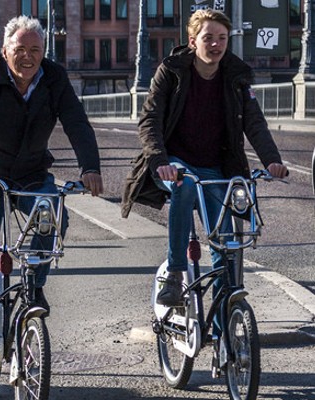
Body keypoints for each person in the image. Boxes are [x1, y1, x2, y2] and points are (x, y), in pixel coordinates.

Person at [0, 16, 104, 386]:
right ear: (5, 51)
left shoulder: (54, 78)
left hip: (32, 173)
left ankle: (34, 284)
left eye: (36, 50)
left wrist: (90, 167)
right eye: (21, 50)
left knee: (53, 216)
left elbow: (77, 123)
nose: (29, 57)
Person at [120, 9, 288, 309]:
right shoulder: (171, 71)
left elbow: (255, 122)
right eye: (208, 38)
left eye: (222, 38)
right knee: (184, 186)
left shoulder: (236, 76)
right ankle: (174, 273)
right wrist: (160, 161)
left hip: (217, 168)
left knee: (224, 239)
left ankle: (226, 318)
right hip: (175, 163)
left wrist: (272, 160)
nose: (216, 44)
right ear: (193, 40)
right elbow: (150, 120)